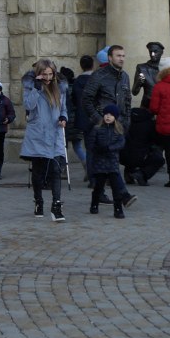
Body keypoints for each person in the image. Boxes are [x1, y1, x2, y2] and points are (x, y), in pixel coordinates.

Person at [81, 45, 135, 207]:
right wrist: (98, 119)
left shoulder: (124, 76)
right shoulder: (99, 75)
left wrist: (126, 121)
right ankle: (121, 195)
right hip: (101, 126)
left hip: (117, 127)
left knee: (111, 163)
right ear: (110, 57)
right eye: (118, 55)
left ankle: (99, 194)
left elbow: (127, 100)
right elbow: (87, 98)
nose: (121, 59)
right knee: (107, 164)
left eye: (123, 56)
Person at [20, 60, 69, 220]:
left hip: (55, 132)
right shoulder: (31, 86)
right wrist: (37, 87)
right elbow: (28, 105)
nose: (48, 78)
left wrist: (63, 117)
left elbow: (63, 108)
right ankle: (38, 201)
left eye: (51, 74)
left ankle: (56, 205)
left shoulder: (60, 87)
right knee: (38, 172)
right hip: (38, 134)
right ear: (39, 74)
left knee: (56, 170)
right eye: (45, 74)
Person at [86, 104, 129, 219]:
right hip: (100, 162)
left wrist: (110, 148)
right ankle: (94, 204)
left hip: (112, 163)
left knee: (116, 188)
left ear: (115, 117)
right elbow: (90, 143)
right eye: (106, 114)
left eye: (111, 115)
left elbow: (121, 143)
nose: (108, 117)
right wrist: (96, 149)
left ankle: (118, 209)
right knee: (98, 187)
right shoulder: (97, 128)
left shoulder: (118, 130)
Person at [120, 107, 164, 186]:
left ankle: (129, 173)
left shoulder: (127, 121)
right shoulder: (150, 124)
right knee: (159, 159)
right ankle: (142, 174)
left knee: (131, 149)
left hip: (123, 156)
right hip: (141, 156)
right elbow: (157, 140)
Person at [68, 55, 95, 180]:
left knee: (88, 148)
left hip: (82, 116)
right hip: (97, 116)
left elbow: (74, 99)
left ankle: (90, 173)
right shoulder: (97, 78)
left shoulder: (78, 81)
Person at [131, 41, 164, 109]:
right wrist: (139, 82)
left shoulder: (166, 69)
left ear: (161, 53)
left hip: (163, 108)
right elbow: (134, 92)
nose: (152, 54)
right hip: (147, 108)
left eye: (155, 51)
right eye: (150, 51)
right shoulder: (142, 68)